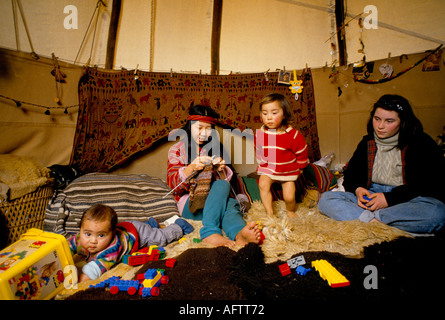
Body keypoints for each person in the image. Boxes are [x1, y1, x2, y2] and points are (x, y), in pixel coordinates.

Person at [318, 94, 445, 234]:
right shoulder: (367, 142)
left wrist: (388, 199)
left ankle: (369, 221)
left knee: (438, 212)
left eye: (389, 121)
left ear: (403, 122)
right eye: (377, 119)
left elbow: (428, 184)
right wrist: (359, 190)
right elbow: (350, 174)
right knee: (326, 199)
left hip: (404, 199)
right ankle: (378, 224)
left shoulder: (421, 143)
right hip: (371, 195)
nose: (380, 126)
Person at [166, 105, 262, 247]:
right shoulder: (177, 150)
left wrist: (221, 169)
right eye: (199, 128)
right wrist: (191, 168)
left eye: (208, 128)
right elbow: (174, 186)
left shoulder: (214, 148)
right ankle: (210, 232)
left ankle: (240, 234)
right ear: (189, 126)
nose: (204, 133)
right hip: (190, 203)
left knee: (225, 192)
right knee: (228, 204)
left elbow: (223, 187)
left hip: (213, 202)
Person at [68, 204, 193, 282]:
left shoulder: (111, 249)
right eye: (88, 234)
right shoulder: (78, 239)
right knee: (149, 229)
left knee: (160, 238)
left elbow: (93, 271)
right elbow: (66, 247)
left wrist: (76, 275)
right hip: (128, 227)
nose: (92, 241)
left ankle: (178, 227)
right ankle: (151, 224)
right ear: (81, 230)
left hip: (138, 234)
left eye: (101, 235)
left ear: (112, 233)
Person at [255, 93, 309, 218]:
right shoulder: (260, 133)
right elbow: (259, 150)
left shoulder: (294, 135)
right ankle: (269, 212)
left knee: (289, 197)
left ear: (284, 114)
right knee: (263, 184)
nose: (269, 117)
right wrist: (261, 162)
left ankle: (290, 210)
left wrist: (301, 167)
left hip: (287, 170)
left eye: (274, 113)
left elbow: (302, 152)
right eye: (265, 113)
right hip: (269, 169)